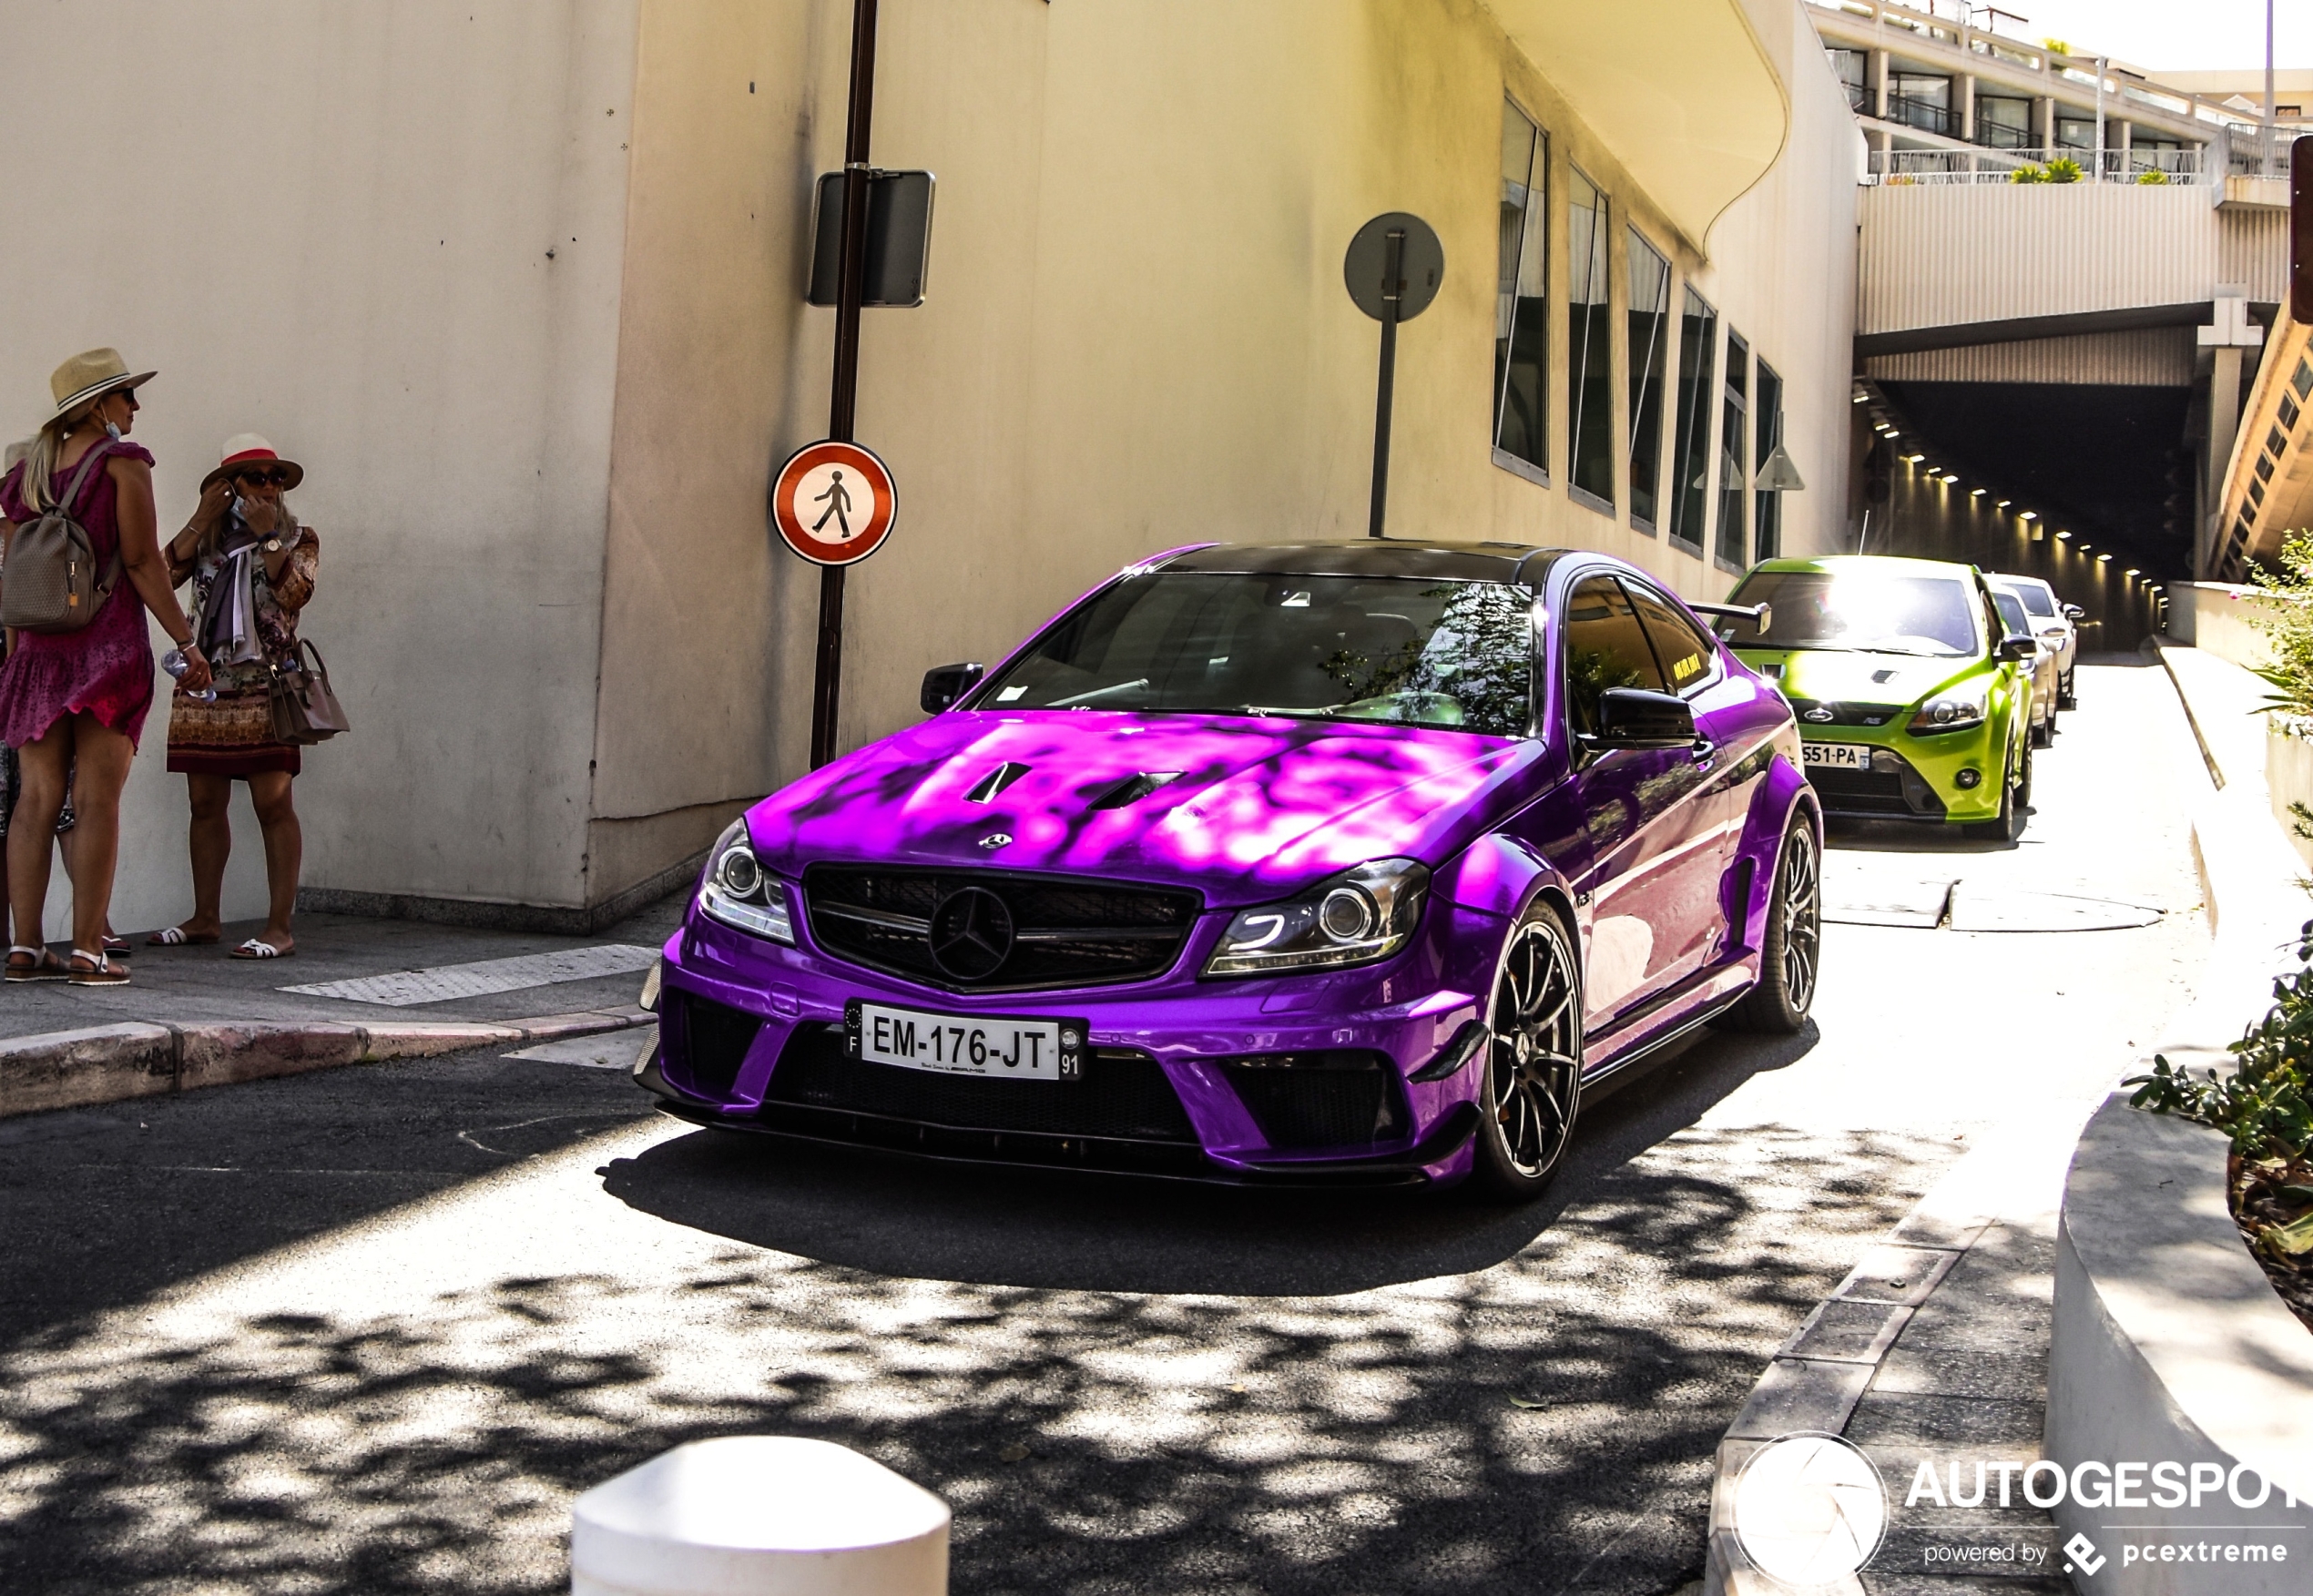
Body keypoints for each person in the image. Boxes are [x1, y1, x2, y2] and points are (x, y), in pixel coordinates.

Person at [0, 349, 212, 985]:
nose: (135, 407)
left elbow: (15, 577)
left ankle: (25, 946)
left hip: (38, 654)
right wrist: (186, 642)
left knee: (34, 801)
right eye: (125, 395)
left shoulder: (24, 475)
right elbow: (144, 562)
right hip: (105, 649)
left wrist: (15, 658)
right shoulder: (124, 466)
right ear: (98, 406)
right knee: (96, 801)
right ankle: (90, 949)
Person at [148, 436, 317, 959]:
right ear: (229, 487)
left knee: (273, 801)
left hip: (266, 685)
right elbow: (156, 575)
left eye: (276, 477)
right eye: (255, 477)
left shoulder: (298, 537)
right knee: (204, 802)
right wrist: (201, 518)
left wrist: (268, 540)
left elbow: (295, 595)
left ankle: (279, 927)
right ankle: (205, 917)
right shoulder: (207, 541)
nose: (269, 486)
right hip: (207, 684)